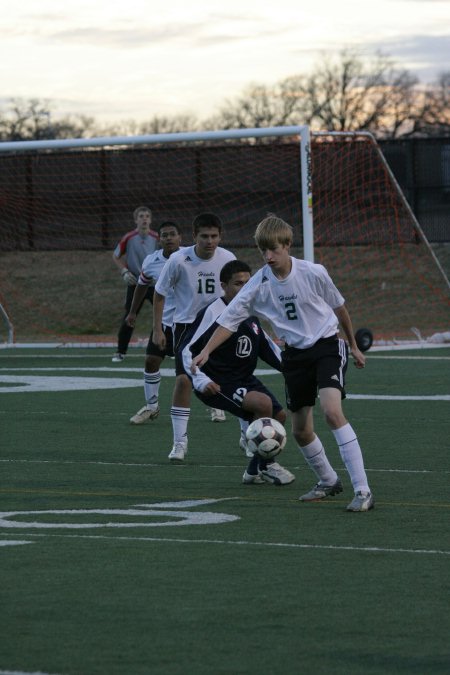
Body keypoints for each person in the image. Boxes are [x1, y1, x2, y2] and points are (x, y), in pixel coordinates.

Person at [191, 214, 374, 512]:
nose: (269, 256)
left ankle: (363, 490)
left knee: (331, 411)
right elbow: (228, 320)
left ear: (288, 245)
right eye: (264, 250)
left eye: (274, 249)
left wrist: (353, 345)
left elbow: (340, 308)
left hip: (327, 346)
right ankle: (328, 481)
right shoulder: (258, 284)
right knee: (301, 431)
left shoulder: (313, 272)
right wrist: (208, 350)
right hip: (294, 356)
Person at [182, 259, 295, 486]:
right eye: (237, 284)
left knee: (279, 416)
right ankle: (269, 466)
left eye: (247, 283)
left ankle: (253, 472)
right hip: (217, 382)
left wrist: (294, 369)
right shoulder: (212, 312)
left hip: (243, 380)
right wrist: (201, 379)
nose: (243, 289)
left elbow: (268, 349)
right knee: (263, 405)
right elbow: (186, 350)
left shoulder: (249, 312)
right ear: (223, 286)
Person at [152, 212, 236, 462]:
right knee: (183, 381)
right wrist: (158, 329)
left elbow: (240, 294)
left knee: (235, 377)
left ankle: (247, 435)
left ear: (220, 236)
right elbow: (159, 294)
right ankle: (180, 443)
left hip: (220, 326)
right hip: (187, 327)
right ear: (194, 237)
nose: (209, 241)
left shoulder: (228, 258)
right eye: (204, 236)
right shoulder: (179, 260)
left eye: (214, 236)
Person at [126, 221, 183, 424]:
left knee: (198, 366)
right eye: (164, 235)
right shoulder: (151, 261)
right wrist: (133, 312)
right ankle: (151, 406)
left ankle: (215, 407)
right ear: (159, 239)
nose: (168, 238)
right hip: (164, 322)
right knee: (151, 361)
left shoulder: (192, 257)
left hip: (189, 322)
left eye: (172, 234)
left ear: (180, 237)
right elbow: (142, 286)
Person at [111, 206, 159, 362]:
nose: (144, 219)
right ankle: (120, 352)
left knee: (165, 315)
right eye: (141, 216)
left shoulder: (157, 237)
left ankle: (166, 348)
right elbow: (116, 256)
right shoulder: (129, 237)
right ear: (136, 220)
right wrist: (125, 272)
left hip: (154, 284)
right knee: (129, 316)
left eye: (147, 216)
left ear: (150, 220)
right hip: (136, 284)